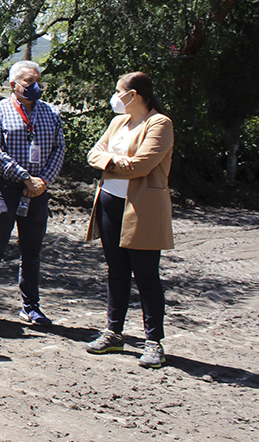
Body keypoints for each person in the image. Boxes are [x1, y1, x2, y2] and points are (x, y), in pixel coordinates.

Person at [84, 72, 174, 369]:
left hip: (142, 207)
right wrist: (112, 161)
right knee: (117, 270)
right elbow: (93, 154)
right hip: (110, 201)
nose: (115, 96)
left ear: (133, 95)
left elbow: (142, 166)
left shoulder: (159, 123)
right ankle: (114, 332)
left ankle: (153, 341)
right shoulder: (117, 122)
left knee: (146, 275)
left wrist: (110, 162)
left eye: (118, 91)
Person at [0, 60, 64, 326]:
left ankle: (31, 307)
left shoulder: (52, 113)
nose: (35, 85)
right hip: (7, 188)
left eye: (38, 80)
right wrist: (25, 178)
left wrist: (42, 182)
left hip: (38, 192)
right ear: (13, 84)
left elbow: (59, 149)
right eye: (28, 81)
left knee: (32, 251)